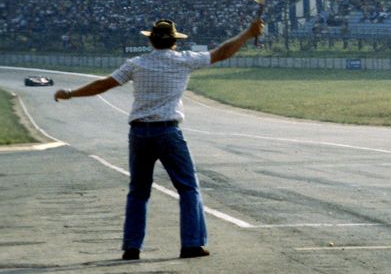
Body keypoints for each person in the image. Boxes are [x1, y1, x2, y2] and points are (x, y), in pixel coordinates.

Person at [54, 17, 263, 260]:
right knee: (187, 187)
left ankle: (132, 247)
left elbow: (104, 84)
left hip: (140, 132)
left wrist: (71, 94)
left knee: (138, 191)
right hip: (167, 131)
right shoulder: (184, 60)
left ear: (151, 41)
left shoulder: (137, 64)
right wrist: (247, 33)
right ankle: (191, 244)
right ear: (174, 42)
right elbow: (223, 53)